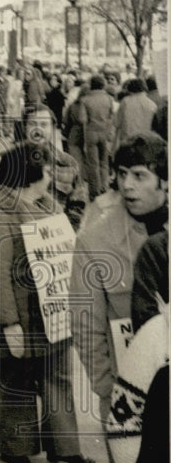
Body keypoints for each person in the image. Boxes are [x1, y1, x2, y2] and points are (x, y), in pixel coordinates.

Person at [0, 144, 95, 463]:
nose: (52, 176)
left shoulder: (48, 206)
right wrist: (9, 323)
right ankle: (16, 447)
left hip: (50, 311)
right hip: (17, 314)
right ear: (31, 177)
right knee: (16, 378)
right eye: (46, 171)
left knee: (58, 376)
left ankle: (65, 447)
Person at [70, 133, 168, 424]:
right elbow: (85, 324)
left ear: (164, 180)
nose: (127, 185)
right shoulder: (94, 240)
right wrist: (107, 392)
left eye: (139, 175)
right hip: (129, 392)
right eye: (123, 174)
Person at [78, 74, 116, 199]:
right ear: (103, 85)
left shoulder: (85, 100)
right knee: (104, 162)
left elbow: (82, 119)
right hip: (104, 133)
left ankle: (94, 191)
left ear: (91, 85)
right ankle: (104, 187)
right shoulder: (109, 99)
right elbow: (112, 117)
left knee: (93, 163)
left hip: (91, 133)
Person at [114, 78, 157, 151]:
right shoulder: (152, 104)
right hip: (145, 139)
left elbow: (117, 122)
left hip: (128, 138)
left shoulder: (125, 101)